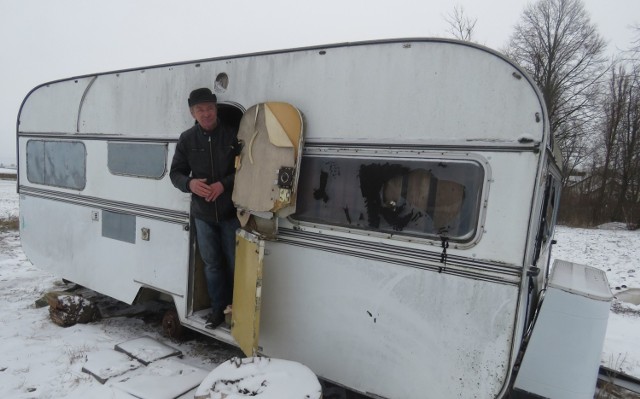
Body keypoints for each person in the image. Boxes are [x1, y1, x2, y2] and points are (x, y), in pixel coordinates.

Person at [170, 88, 241, 329]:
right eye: (200, 109)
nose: (206, 113)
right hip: (203, 215)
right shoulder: (187, 139)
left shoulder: (233, 136)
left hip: (232, 213)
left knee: (235, 263)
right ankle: (218, 310)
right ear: (193, 112)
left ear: (216, 109)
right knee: (212, 265)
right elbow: (175, 173)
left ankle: (237, 311)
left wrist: (224, 185)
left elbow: (245, 170)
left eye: (209, 108)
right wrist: (189, 183)